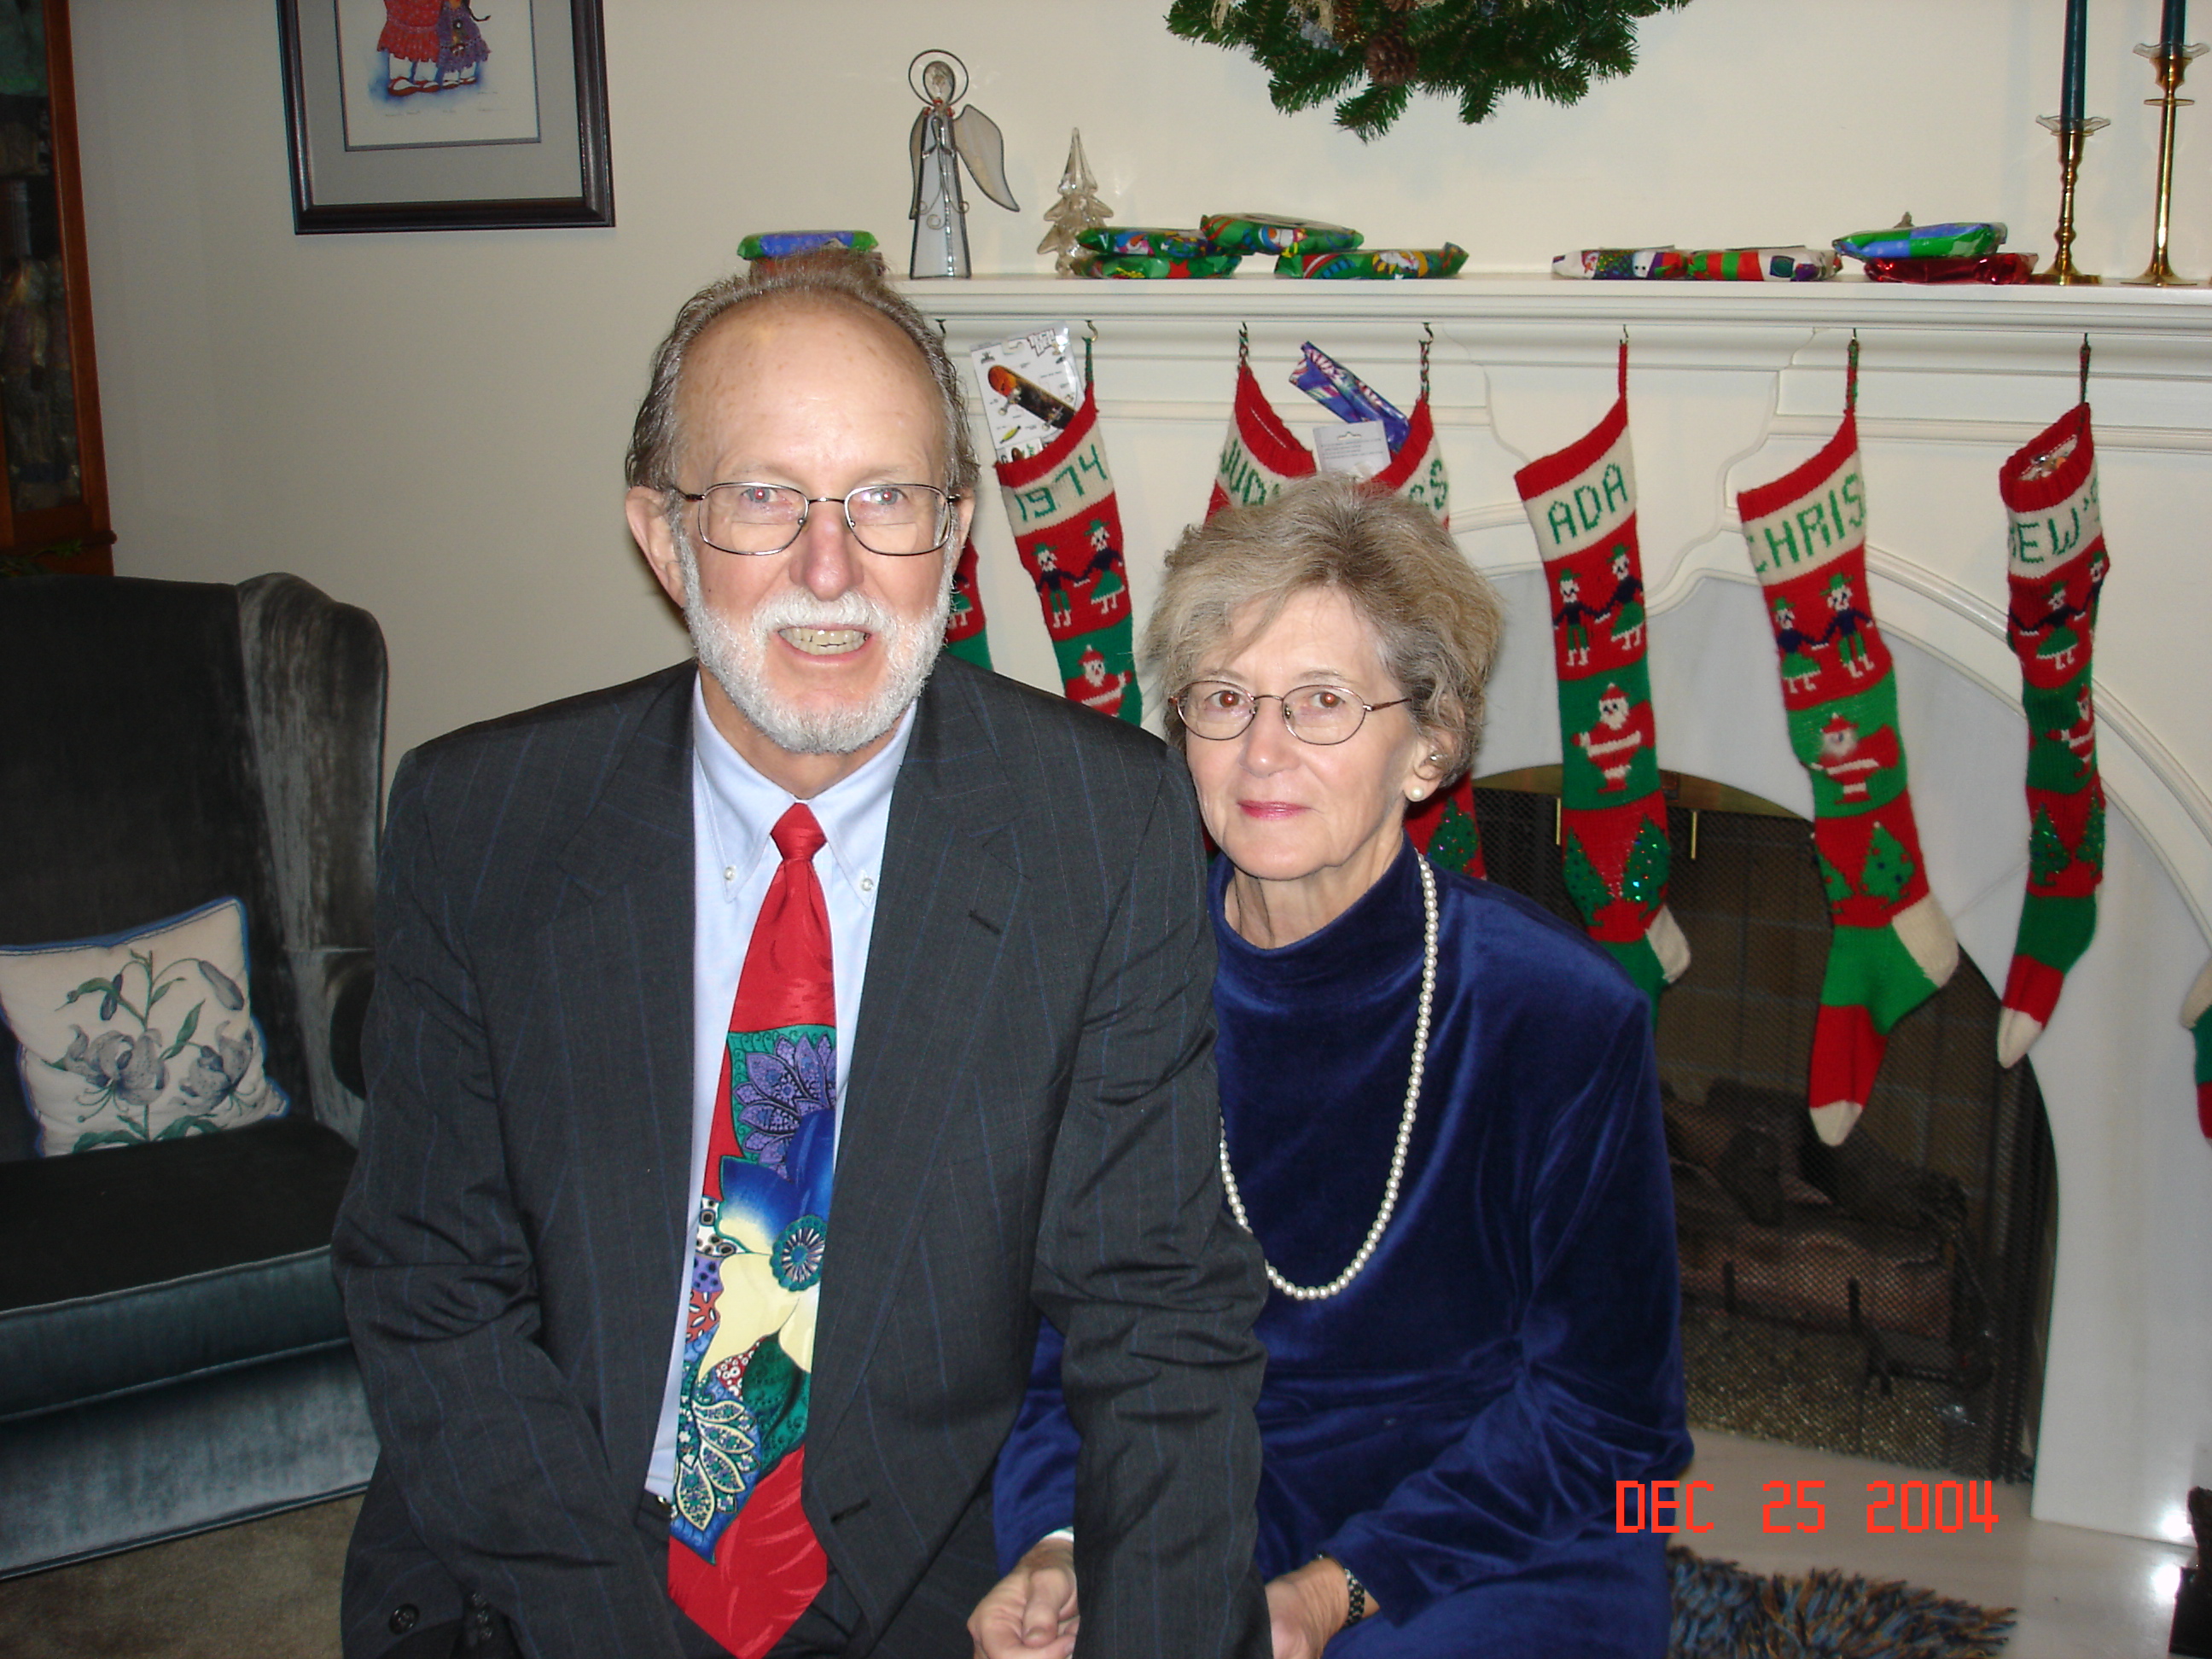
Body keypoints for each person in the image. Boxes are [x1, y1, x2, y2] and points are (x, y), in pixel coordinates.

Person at [333, 253, 1271, 1659]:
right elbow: (429, 1282)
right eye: (764, 497)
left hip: (906, 1562)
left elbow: (1157, 1323)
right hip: (550, 1551)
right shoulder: (483, 823)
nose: (829, 572)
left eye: (885, 499)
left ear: (953, 535)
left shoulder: (1103, 826)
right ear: (662, 535)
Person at [980, 474, 1692, 1659]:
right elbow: (1051, 1345)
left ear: (1430, 749)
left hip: (1497, 1515)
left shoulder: (1559, 1015)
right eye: (1223, 698)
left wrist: (1330, 1594)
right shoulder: (1114, 987)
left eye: (1319, 702)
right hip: (1187, 1481)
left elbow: (1610, 1419)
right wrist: (1058, 1540)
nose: (1261, 751)